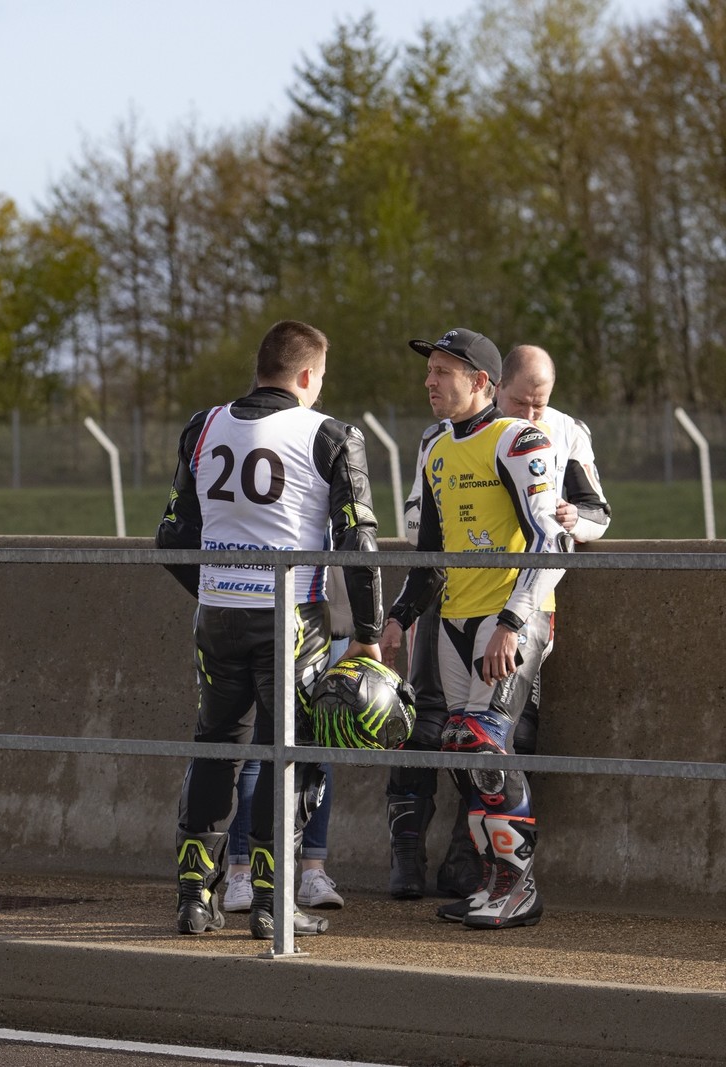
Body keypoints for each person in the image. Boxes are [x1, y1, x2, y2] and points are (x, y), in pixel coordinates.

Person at [157, 319, 383, 940]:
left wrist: (213, 590)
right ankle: (270, 906)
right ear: (308, 375)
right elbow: (360, 544)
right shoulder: (332, 434)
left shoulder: (203, 426)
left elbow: (172, 539)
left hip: (218, 616)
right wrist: (366, 634)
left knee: (215, 748)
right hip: (292, 622)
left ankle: (193, 901)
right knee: (290, 758)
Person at [385, 344, 610, 899]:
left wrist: (513, 620)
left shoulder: (520, 438)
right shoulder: (437, 445)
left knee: (487, 746)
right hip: (456, 617)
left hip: (509, 617)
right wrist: (397, 618)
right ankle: (489, 882)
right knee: (461, 746)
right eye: (429, 371)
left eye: (442, 372)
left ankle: (519, 889)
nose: (429, 381)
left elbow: (551, 538)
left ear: (480, 379)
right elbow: (430, 552)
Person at [225, 569, 354, 913]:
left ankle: (313, 870)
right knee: (255, 746)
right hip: (255, 605)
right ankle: (241, 870)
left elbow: (355, 537)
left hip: (326, 613)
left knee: (316, 745)